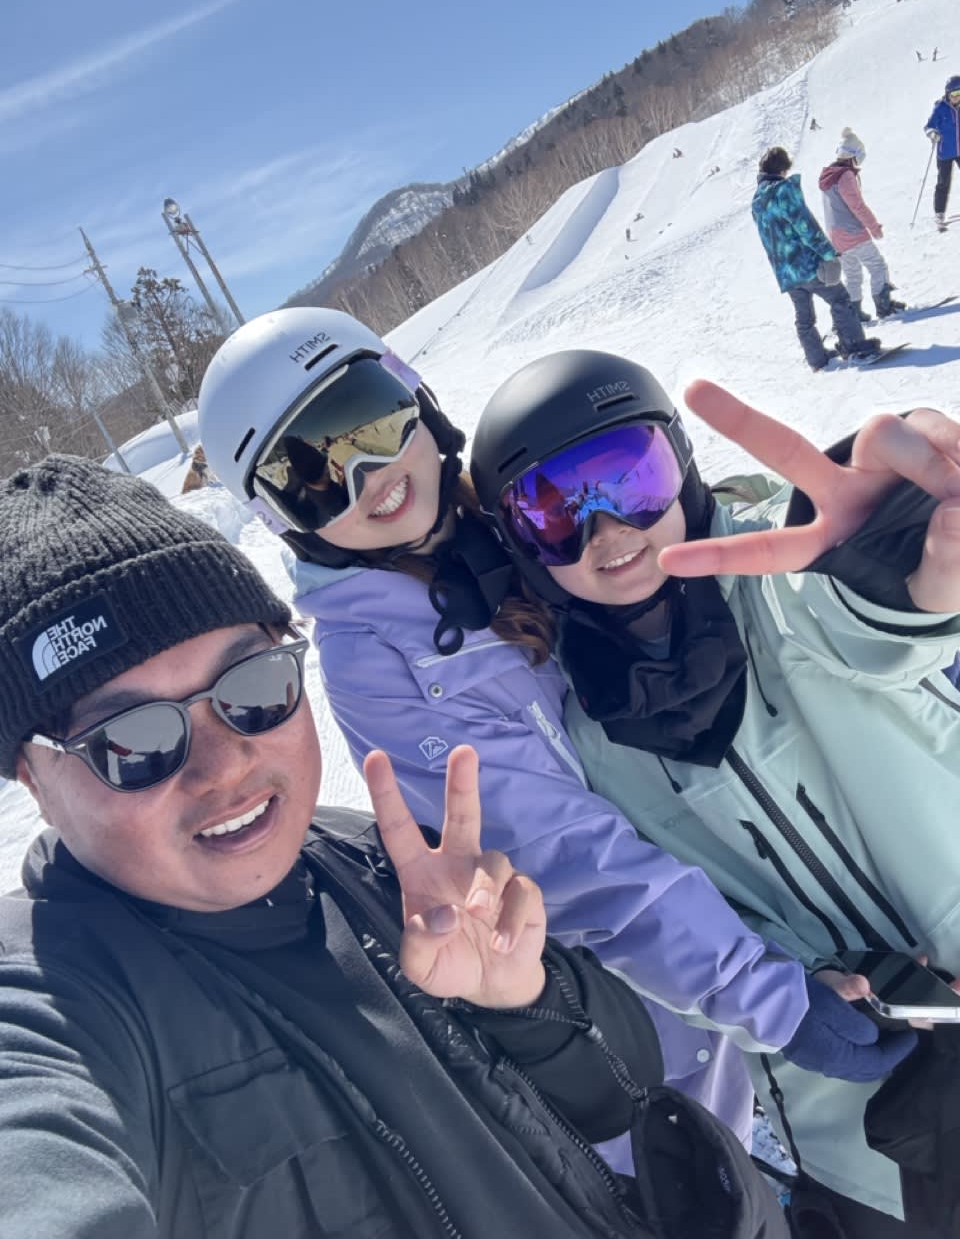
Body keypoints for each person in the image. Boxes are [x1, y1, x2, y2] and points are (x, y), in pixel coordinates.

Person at [0, 453, 795, 1239]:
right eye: (133, 741)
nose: (226, 766)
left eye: (254, 688)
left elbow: (619, 1100)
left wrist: (530, 1002)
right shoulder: (51, 1013)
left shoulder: (372, 861)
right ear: (32, 777)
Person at [198, 307, 913, 1156]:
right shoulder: (377, 659)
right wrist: (762, 993)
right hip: (647, 1013)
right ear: (282, 519)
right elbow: (568, 857)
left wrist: (886, 567)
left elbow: (691, 538)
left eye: (369, 421)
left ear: (416, 399)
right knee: (713, 1170)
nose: (368, 476)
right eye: (312, 478)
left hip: (764, 895)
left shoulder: (511, 514)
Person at [469, 348, 960, 1236]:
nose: (606, 531)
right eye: (554, 513)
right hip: (864, 1137)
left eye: (631, 478)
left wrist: (900, 541)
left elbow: (879, 625)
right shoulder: (581, 734)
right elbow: (651, 915)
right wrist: (786, 979)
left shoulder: (793, 580)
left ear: (685, 465)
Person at [751, 146, 880, 371]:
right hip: (807, 264)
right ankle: (854, 346)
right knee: (840, 298)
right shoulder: (782, 190)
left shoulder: (757, 201)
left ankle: (817, 358)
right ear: (781, 169)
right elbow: (805, 226)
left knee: (804, 316)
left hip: (786, 271)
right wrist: (828, 252)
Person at [818, 129, 906, 321]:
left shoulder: (829, 175)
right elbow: (857, 206)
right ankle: (884, 305)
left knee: (852, 273)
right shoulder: (845, 176)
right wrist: (874, 227)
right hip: (852, 232)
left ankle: (854, 312)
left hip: (835, 236)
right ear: (854, 154)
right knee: (877, 265)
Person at [924, 74, 960, 228]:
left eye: (959, 93)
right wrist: (933, 134)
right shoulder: (940, 108)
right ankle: (939, 212)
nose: (957, 97)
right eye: (954, 94)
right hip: (944, 152)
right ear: (947, 94)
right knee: (943, 182)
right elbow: (929, 126)